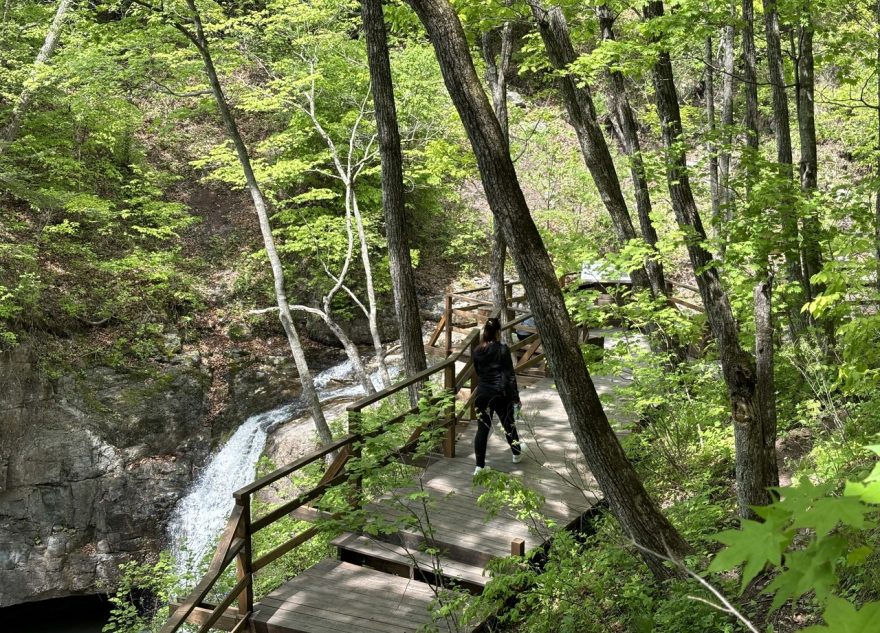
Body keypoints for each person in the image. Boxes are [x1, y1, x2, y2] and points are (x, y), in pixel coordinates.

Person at [471, 318, 522, 475]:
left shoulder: (477, 351)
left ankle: (479, 467)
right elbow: (509, 375)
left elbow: (479, 373)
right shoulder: (502, 349)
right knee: (508, 424)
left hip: (482, 394)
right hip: (499, 394)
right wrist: (516, 398)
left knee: (482, 429)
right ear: (498, 332)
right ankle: (516, 453)